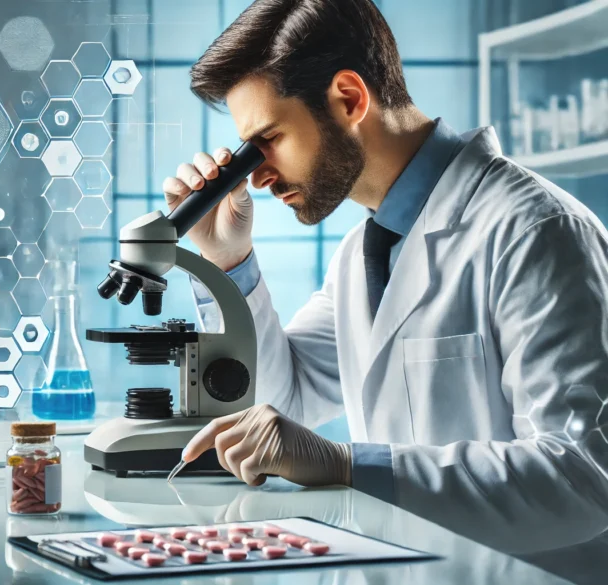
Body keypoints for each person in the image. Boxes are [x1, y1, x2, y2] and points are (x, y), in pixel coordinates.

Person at [170, 0, 608, 568]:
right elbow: (282, 407)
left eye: (268, 139)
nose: (256, 174)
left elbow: (583, 477)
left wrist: (351, 467)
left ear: (349, 98)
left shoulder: (537, 231)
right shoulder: (364, 253)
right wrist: (227, 263)